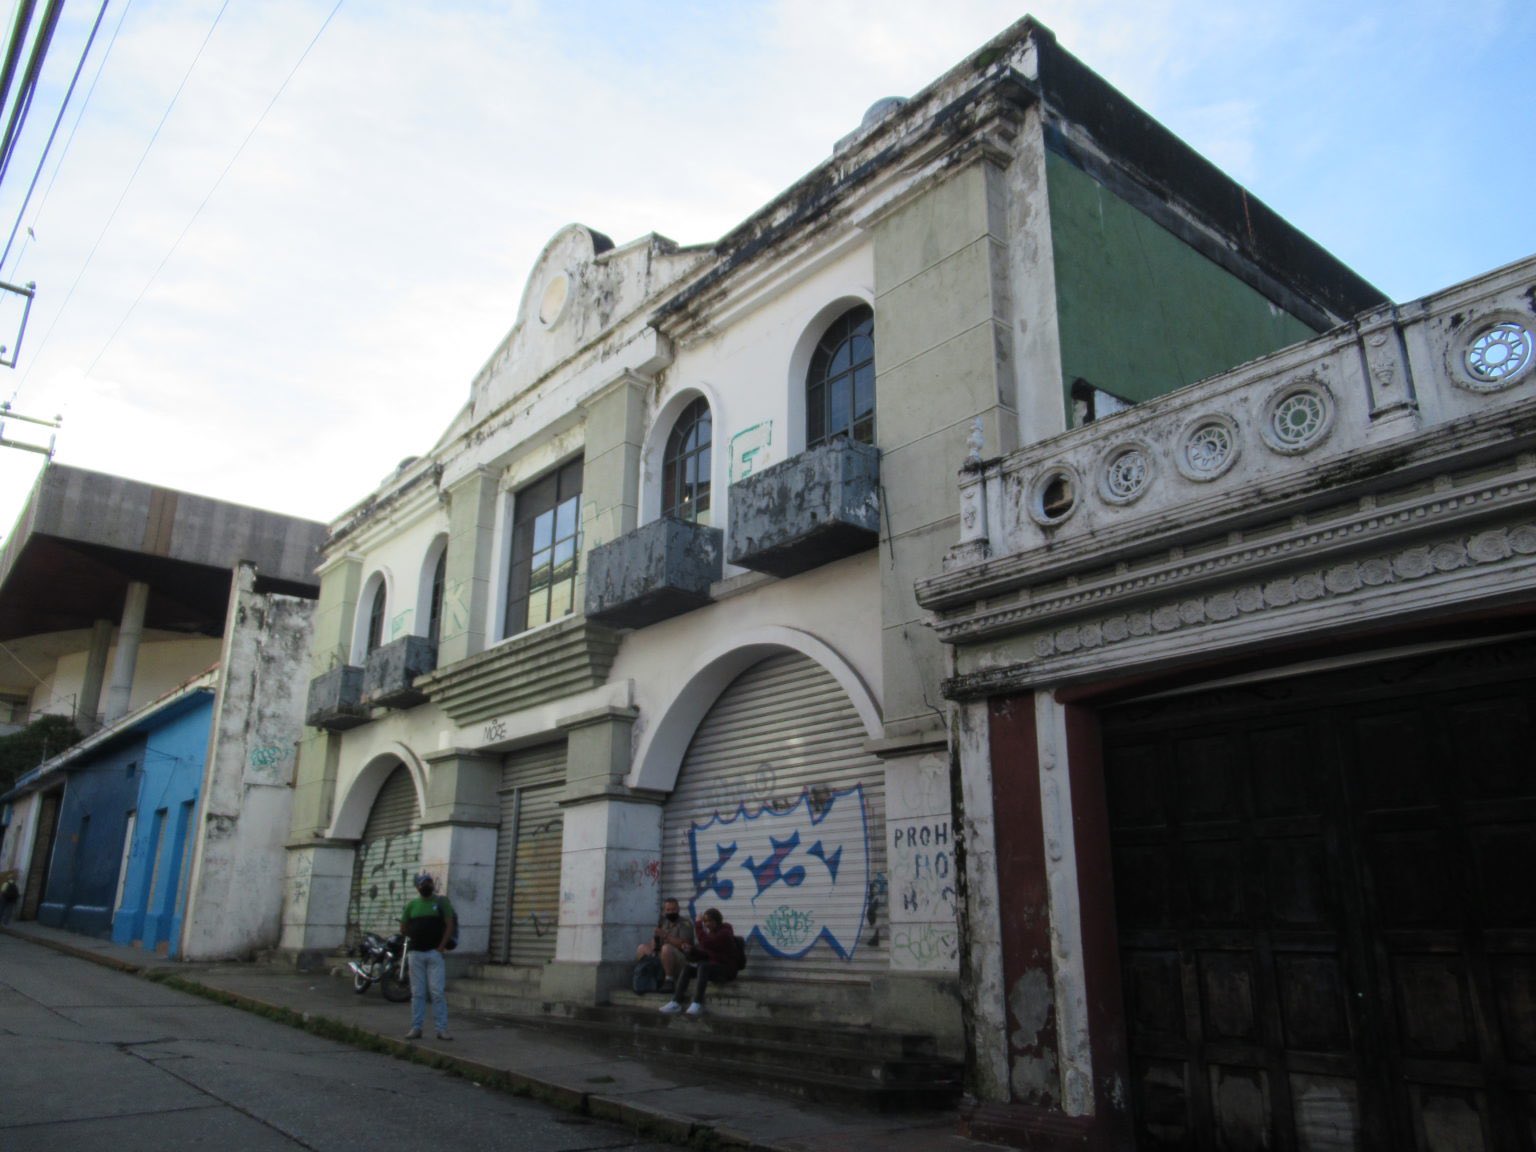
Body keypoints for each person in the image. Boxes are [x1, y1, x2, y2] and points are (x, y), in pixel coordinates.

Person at [400, 871, 456, 1041]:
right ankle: (416, 1028)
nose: (426, 886)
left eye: (428, 883)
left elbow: (449, 925)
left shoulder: (441, 902)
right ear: (417, 887)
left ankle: (442, 1029)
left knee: (437, 992)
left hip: (434, 953)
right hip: (416, 953)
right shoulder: (412, 905)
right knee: (417, 992)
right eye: (423, 884)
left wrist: (440, 947)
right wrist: (416, 936)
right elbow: (403, 927)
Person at [659, 907, 739, 1017]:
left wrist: (698, 924)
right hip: (713, 967)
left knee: (703, 966)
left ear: (717, 920)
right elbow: (705, 953)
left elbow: (706, 943)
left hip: (726, 970)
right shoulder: (711, 934)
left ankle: (697, 1003)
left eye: (710, 921)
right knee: (688, 968)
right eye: (705, 921)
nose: (707, 924)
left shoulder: (725, 933)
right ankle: (676, 1002)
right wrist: (691, 950)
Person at [636, 897, 696, 992]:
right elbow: (655, 942)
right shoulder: (664, 923)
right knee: (642, 948)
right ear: (664, 911)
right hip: (664, 957)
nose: (671, 912)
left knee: (666, 948)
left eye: (673, 909)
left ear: (678, 910)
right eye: (668, 910)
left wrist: (666, 936)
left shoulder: (685, 923)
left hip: (681, 959)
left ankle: (669, 980)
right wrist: (653, 944)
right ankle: (645, 977)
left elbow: (685, 944)